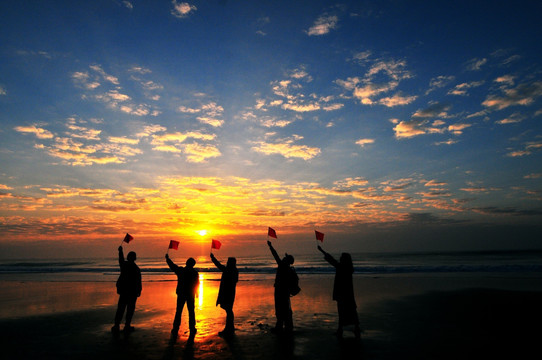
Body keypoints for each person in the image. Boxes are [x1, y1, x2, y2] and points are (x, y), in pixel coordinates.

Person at [317, 245, 361, 338]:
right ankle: (354, 328)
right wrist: (322, 251)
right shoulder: (348, 268)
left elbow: (332, 260)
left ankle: (341, 329)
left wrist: (322, 250)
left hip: (342, 293)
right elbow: (332, 260)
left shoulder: (341, 267)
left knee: (342, 311)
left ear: (344, 259)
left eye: (341, 257)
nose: (340, 258)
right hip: (348, 293)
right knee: (351, 310)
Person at [165, 253, 199, 336]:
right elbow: (197, 283)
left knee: (179, 311)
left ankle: (175, 328)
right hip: (190, 294)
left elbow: (173, 266)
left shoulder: (181, 270)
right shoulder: (194, 272)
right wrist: (197, 292)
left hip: (182, 293)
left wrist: (167, 259)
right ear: (193, 265)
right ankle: (192, 328)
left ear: (187, 263)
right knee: (191, 311)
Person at [267, 240, 295, 333]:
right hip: (285, 291)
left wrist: (270, 246)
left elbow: (275, 255)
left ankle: (279, 327)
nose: (283, 258)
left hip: (280, 291)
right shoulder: (289, 269)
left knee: (280, 308)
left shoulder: (282, 266)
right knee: (285, 308)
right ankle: (287, 326)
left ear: (287, 260)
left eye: (285, 258)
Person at [112, 246, 142, 333]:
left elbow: (121, 260)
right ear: (135, 258)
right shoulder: (136, 268)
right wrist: (139, 290)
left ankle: (117, 325)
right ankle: (126, 325)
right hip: (131, 292)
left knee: (121, 308)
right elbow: (138, 281)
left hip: (125, 291)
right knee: (129, 309)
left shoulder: (125, 266)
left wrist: (120, 251)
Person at [210, 253, 239, 336]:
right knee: (229, 310)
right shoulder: (234, 270)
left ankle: (228, 328)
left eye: (228, 261)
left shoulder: (228, 270)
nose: (227, 263)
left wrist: (213, 258)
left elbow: (219, 266)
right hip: (231, 292)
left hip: (227, 292)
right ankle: (230, 327)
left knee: (228, 310)